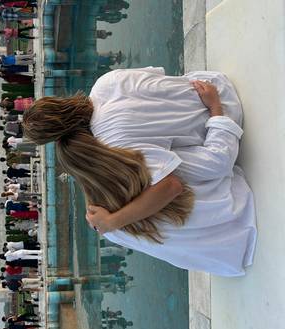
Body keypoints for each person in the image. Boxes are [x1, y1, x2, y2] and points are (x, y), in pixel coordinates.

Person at [22, 67, 257, 277]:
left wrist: (113, 220)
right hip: (214, 84)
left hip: (223, 114)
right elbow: (161, 76)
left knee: (149, 191)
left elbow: (211, 166)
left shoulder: (115, 143)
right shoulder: (106, 82)